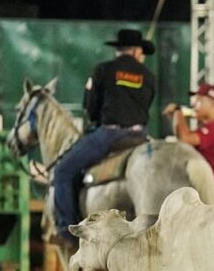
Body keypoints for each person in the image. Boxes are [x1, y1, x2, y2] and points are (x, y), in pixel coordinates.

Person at [52, 28, 155, 245]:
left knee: (62, 171)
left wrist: (97, 119)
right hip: (140, 135)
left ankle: (67, 231)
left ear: (119, 49)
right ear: (137, 51)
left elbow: (90, 105)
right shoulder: (148, 75)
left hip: (110, 134)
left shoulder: (103, 70)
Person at [165, 83, 214, 202]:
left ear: (213, 104)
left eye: (199, 101)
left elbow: (184, 138)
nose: (193, 104)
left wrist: (178, 113)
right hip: (213, 194)